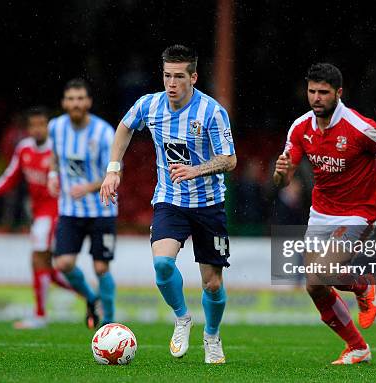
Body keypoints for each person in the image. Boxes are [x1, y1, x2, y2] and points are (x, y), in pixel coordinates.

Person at [273, 63, 376, 365]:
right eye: (312, 91)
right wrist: (280, 174)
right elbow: (284, 177)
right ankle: (358, 347)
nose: (316, 98)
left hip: (359, 213)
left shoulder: (360, 127)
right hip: (321, 212)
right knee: (314, 285)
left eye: (324, 92)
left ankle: (362, 284)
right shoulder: (300, 127)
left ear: (338, 93)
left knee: (321, 273)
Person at [100, 45, 236, 364]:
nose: (171, 83)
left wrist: (196, 170)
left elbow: (230, 160)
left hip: (209, 204)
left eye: (178, 77)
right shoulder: (150, 105)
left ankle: (212, 337)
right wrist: (113, 169)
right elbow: (124, 127)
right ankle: (182, 318)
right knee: (162, 265)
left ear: (194, 77)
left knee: (212, 284)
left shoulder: (212, 112)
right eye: (167, 76)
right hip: (169, 200)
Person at [0, 107, 72, 329]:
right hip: (38, 213)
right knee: (48, 265)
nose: (37, 129)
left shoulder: (58, 150)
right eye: (33, 125)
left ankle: (40, 315)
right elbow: (11, 175)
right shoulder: (24, 149)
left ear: (49, 127)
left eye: (41, 124)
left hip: (56, 211)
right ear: (28, 128)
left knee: (39, 259)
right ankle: (90, 295)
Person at [47, 79, 118, 329]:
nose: (75, 103)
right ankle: (92, 298)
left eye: (80, 98)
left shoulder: (104, 133)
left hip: (102, 208)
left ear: (88, 102)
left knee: (101, 267)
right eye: (71, 99)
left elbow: (115, 172)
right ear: (64, 103)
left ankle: (109, 322)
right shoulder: (55, 127)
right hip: (70, 210)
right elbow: (54, 159)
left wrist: (88, 187)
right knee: (63, 263)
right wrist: (52, 176)